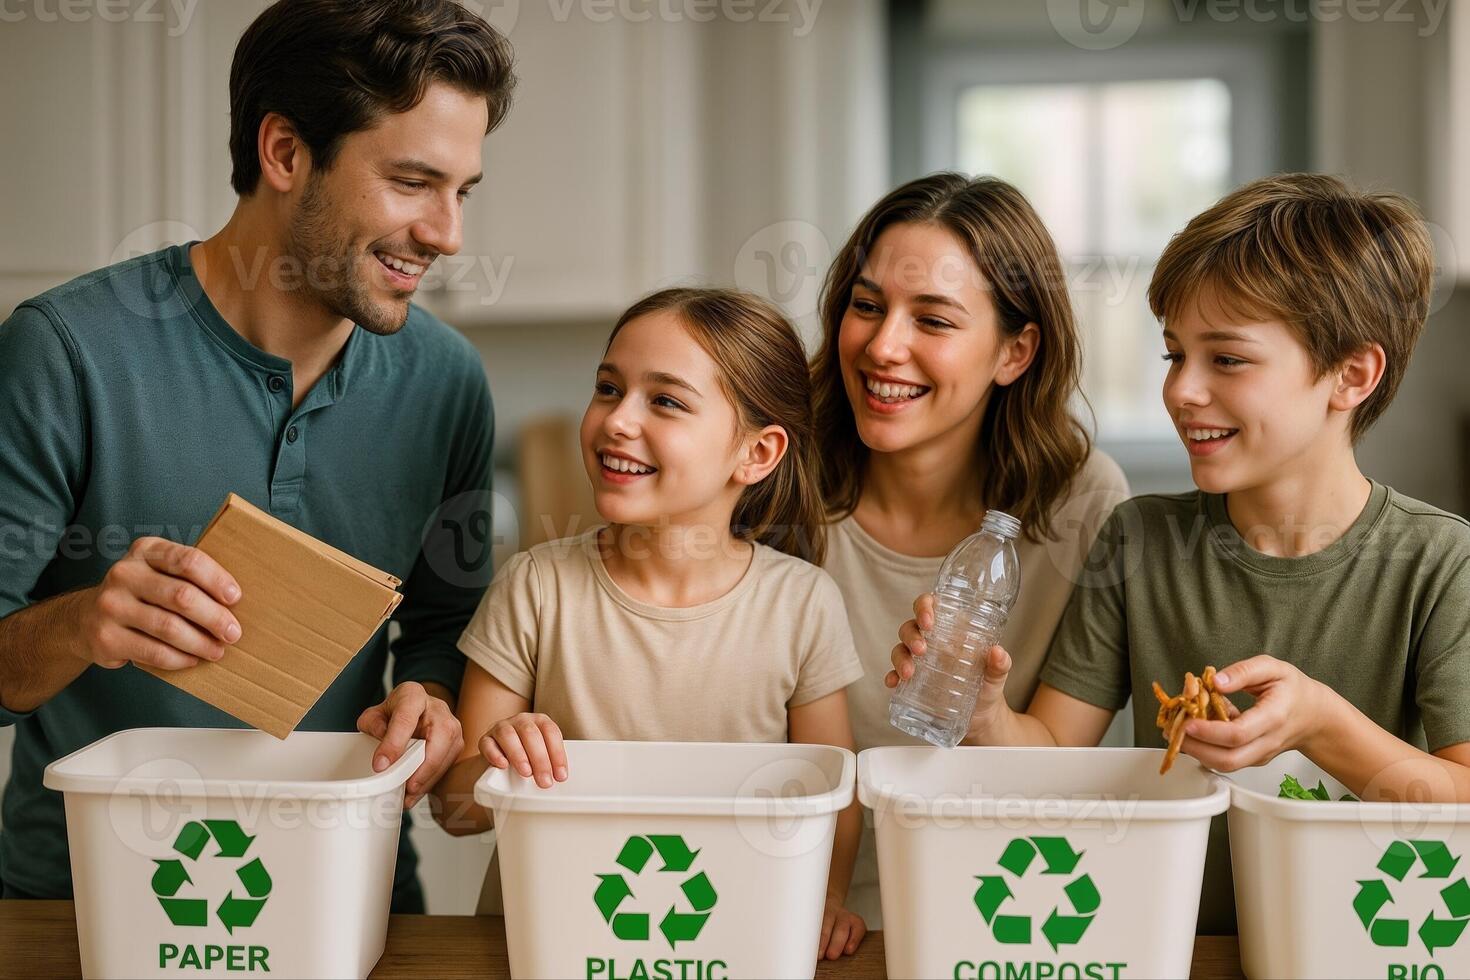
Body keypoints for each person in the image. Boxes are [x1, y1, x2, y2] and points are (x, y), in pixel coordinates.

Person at [0, 0, 516, 912]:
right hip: (84, 908)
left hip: (349, 899)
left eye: (462, 190)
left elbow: (440, 631)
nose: (448, 234)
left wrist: (429, 701)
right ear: (284, 153)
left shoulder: (446, 380)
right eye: (410, 182)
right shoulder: (66, 350)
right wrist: (85, 621)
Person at [891, 173, 1470, 933]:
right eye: (1173, 356)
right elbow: (1055, 752)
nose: (1182, 392)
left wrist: (1321, 723)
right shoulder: (1139, 540)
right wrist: (985, 711)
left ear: (1351, 376)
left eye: (1226, 360)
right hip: (1166, 943)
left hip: (1364, 946)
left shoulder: (1438, 561)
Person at [430, 288, 869, 960]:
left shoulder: (802, 604)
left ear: (756, 453)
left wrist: (829, 898)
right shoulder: (533, 587)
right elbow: (453, 812)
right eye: (608, 388)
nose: (616, 420)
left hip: (731, 944)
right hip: (545, 947)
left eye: (664, 401)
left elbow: (829, 791)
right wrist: (496, 762)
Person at [808, 173, 1128, 926]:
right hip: (791, 911)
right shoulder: (770, 482)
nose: (884, 346)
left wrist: (984, 712)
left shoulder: (1081, 503)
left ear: (1015, 352)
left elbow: (1059, 771)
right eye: (866, 306)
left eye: (934, 321)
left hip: (1000, 914)